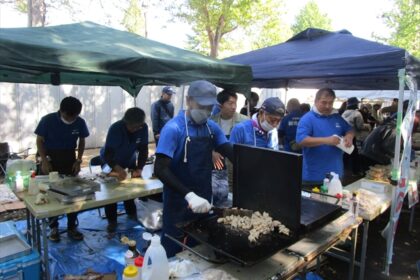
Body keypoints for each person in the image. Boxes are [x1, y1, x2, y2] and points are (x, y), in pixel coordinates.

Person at [154, 80, 234, 257]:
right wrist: (189, 195)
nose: (205, 112)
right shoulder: (173, 129)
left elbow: (230, 152)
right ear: (189, 100)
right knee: (173, 252)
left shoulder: (211, 128)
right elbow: (160, 169)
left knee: (199, 251)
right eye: (201, 106)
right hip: (178, 202)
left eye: (209, 108)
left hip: (204, 202)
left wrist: (253, 165)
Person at [35, 96, 89, 242]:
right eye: (68, 116)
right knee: (51, 192)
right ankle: (54, 227)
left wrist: (78, 160)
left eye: (74, 117)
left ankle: (72, 226)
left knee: (73, 193)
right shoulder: (48, 120)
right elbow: (39, 140)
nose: (71, 119)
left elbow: (82, 140)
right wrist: (44, 160)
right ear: (61, 111)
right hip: (50, 157)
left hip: (69, 158)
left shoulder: (80, 122)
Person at [100, 107, 149, 232]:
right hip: (110, 163)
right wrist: (118, 169)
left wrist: (139, 168)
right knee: (110, 193)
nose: (135, 129)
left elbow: (143, 150)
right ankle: (112, 221)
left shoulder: (143, 128)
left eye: (138, 127)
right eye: (132, 127)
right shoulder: (115, 129)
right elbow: (108, 155)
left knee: (130, 189)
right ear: (125, 122)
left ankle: (131, 213)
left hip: (129, 160)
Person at [296, 88, 354, 187]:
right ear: (316, 101)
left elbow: (350, 129)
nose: (328, 106)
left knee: (334, 202)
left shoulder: (336, 117)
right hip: (314, 177)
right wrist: (326, 140)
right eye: (324, 102)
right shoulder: (308, 118)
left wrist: (349, 136)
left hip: (336, 175)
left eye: (331, 103)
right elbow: (301, 140)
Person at [210, 90, 248, 205]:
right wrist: (212, 152)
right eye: (230, 103)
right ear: (220, 105)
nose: (234, 107)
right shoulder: (212, 121)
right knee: (219, 196)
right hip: (218, 167)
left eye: (235, 103)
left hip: (236, 166)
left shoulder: (244, 121)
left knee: (236, 196)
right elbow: (205, 142)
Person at [341, 97, 371, 176]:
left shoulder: (344, 113)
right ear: (356, 104)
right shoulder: (357, 113)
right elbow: (359, 126)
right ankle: (356, 171)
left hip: (344, 135)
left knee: (346, 153)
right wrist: (367, 126)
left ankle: (344, 170)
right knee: (355, 154)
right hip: (353, 136)